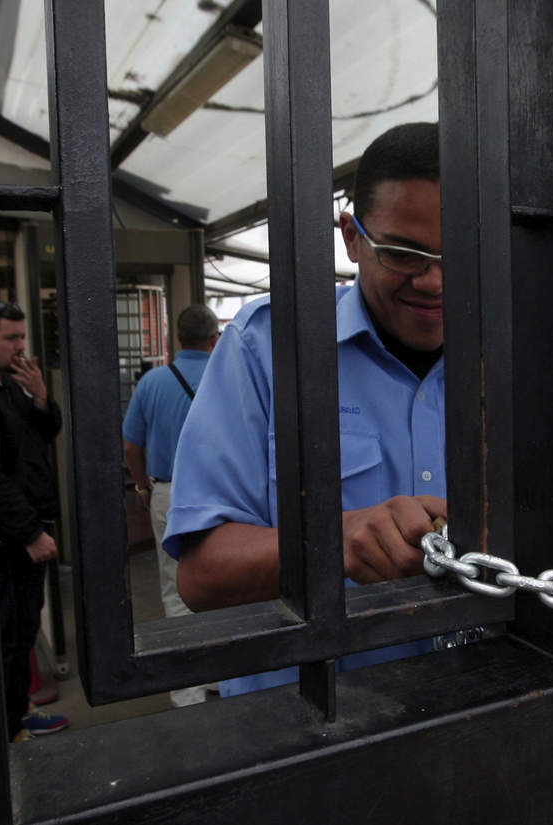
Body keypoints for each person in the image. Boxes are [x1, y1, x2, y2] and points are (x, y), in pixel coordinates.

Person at [164, 122, 447, 696]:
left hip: (481, 705)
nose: (434, 281)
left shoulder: (519, 355)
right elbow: (202, 576)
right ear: (351, 237)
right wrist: (334, 541)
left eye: (462, 252)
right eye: (403, 254)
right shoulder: (267, 349)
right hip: (306, 716)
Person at [0, 300, 69, 740]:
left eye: (22, 337)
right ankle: (8, 726)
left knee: (25, 624)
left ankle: (18, 710)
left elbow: (44, 434)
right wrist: (30, 533)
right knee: (10, 630)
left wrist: (40, 396)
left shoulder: (10, 387)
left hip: (32, 522)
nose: (20, 347)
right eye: (10, 338)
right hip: (10, 537)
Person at [122, 304, 221, 707]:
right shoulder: (227, 376)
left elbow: (131, 445)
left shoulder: (152, 382)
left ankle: (187, 690)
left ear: (176, 339)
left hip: (169, 492)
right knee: (224, 582)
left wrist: (141, 486)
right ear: (214, 338)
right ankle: (222, 675)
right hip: (223, 492)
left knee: (176, 586)